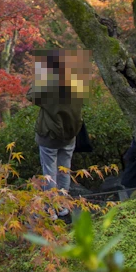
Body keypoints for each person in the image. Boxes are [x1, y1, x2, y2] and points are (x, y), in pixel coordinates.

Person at [28, 49, 86, 211]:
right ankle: (63, 206)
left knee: (50, 173)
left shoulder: (49, 87)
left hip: (49, 136)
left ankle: (51, 210)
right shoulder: (76, 84)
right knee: (64, 171)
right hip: (69, 135)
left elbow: (31, 95)